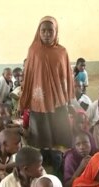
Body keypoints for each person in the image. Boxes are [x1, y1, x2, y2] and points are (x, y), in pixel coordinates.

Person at [19, 16, 74, 150]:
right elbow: (29, 75)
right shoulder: (34, 50)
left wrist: (68, 98)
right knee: (41, 130)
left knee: (59, 128)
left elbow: (66, 75)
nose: (47, 34)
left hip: (57, 98)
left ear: (56, 32)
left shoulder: (62, 52)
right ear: (39, 31)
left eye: (51, 30)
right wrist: (24, 99)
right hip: (40, 98)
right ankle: (43, 156)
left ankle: (59, 156)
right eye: (43, 30)